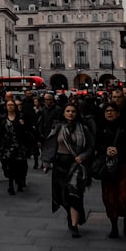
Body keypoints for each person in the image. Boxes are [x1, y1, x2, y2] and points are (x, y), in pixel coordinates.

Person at [42, 101, 95, 237]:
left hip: (77, 164)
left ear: (77, 113)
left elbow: (91, 146)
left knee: (74, 194)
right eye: (68, 111)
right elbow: (50, 144)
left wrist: (83, 156)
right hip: (60, 164)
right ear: (64, 113)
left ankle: (74, 225)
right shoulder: (58, 127)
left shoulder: (84, 128)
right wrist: (46, 163)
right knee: (62, 196)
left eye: (73, 111)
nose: (71, 113)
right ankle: (73, 214)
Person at [96, 101, 126, 238]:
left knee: (125, 195)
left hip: (124, 164)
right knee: (109, 197)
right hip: (108, 167)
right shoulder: (101, 127)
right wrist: (106, 149)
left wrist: (118, 150)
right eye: (107, 111)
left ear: (118, 113)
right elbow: (96, 143)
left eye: (112, 111)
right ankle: (114, 225)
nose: (109, 113)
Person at [0, 97, 33, 195]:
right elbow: (0, 132)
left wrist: (23, 125)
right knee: (10, 166)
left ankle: (20, 181)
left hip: (20, 145)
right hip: (8, 146)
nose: (10, 107)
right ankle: (10, 185)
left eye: (12, 105)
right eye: (8, 105)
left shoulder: (21, 117)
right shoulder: (3, 118)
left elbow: (27, 130)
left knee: (20, 165)